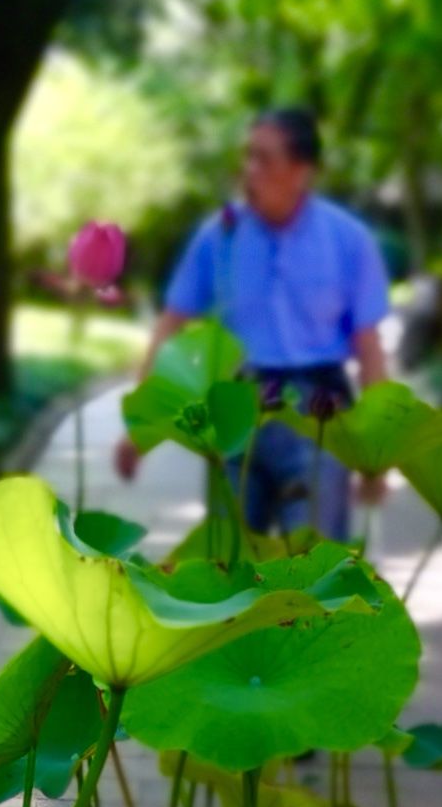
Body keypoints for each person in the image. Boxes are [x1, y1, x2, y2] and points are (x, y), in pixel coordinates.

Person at [117, 108, 390, 540]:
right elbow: (170, 326)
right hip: (236, 414)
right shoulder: (218, 236)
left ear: (302, 171)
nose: (249, 171)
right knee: (229, 573)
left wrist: (377, 453)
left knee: (314, 579)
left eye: (264, 159)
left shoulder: (349, 241)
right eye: (248, 156)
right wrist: (139, 427)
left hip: (319, 417)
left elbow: (370, 348)